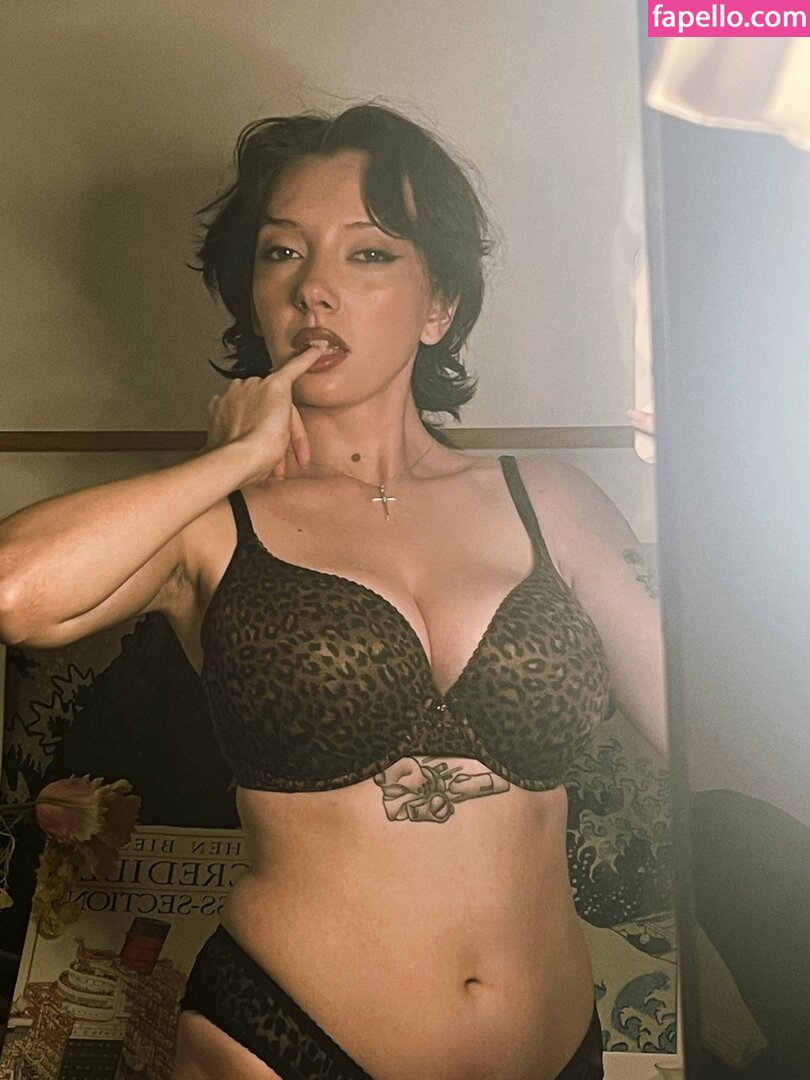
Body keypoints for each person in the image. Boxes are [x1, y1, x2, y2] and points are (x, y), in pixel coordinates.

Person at [0, 104, 666, 1080]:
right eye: (282, 253)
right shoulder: (214, 520)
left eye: (368, 254)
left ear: (438, 304)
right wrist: (230, 460)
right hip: (284, 1041)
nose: (315, 286)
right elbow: (16, 590)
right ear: (255, 297)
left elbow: (704, 725)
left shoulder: (552, 504)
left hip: (555, 1048)